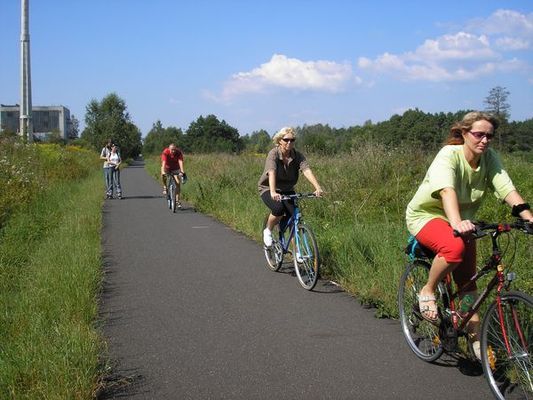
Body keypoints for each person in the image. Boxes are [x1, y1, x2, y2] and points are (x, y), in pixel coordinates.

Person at [405, 111, 533, 358]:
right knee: (454, 249)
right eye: (478, 134)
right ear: (464, 133)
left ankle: (477, 344)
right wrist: (456, 223)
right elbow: (446, 191)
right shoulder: (448, 155)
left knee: (468, 284)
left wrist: (528, 216)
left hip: (461, 222)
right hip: (427, 215)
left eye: (489, 136)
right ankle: (428, 290)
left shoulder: (489, 158)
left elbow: (507, 189)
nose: (484, 140)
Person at [258, 127, 323, 247]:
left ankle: (297, 253)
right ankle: (268, 230)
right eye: (286, 139)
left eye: (292, 140)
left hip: (287, 190)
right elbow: (271, 171)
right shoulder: (273, 154)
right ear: (279, 141)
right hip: (268, 189)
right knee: (278, 209)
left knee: (295, 218)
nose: (289, 142)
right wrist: (272, 192)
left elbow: (306, 170)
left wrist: (317, 187)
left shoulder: (297, 155)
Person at [161, 143, 185, 208]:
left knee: (177, 183)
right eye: (172, 150)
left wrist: (182, 171)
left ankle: (177, 201)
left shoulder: (178, 152)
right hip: (167, 168)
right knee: (163, 174)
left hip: (176, 168)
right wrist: (163, 171)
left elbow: (180, 161)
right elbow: (163, 162)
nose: (173, 151)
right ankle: (165, 186)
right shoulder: (165, 152)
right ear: (169, 149)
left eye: (174, 150)